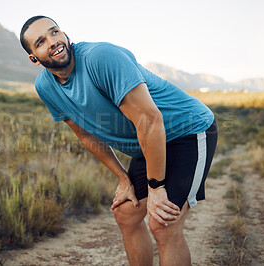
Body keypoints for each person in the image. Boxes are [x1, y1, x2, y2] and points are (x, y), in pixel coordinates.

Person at [20, 15, 218, 266]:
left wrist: (156, 188)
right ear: (34, 58)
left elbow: (150, 120)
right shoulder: (46, 87)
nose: (53, 41)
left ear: (65, 34)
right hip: (147, 142)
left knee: (163, 223)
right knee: (126, 213)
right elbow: (85, 135)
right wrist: (123, 178)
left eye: (55, 32)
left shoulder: (101, 58)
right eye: (41, 41)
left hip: (188, 130)